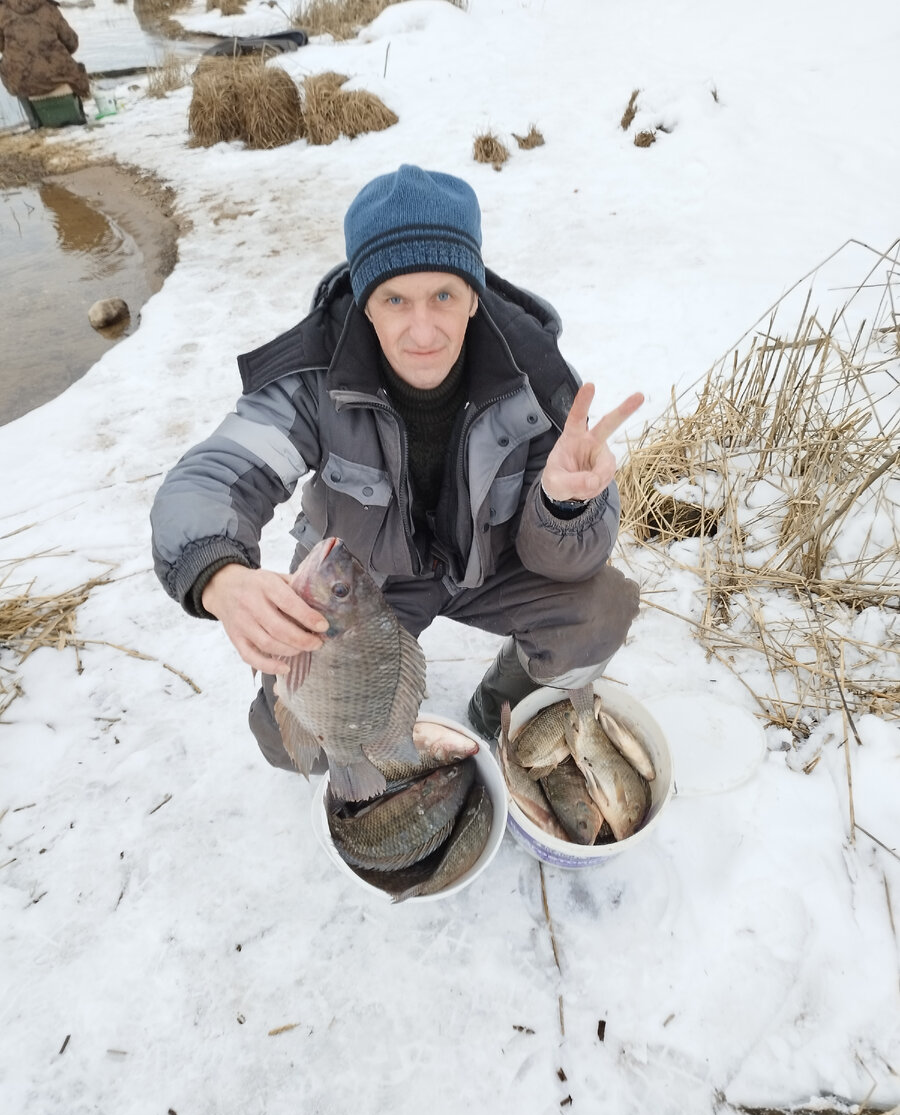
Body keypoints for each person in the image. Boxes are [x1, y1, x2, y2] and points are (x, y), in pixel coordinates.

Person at [150, 165, 643, 769]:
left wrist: (566, 506)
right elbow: (214, 475)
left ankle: (504, 705)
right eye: (394, 300)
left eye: (443, 295)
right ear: (364, 302)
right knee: (292, 743)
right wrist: (219, 576)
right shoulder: (312, 377)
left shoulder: (539, 379)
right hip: (356, 585)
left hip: (487, 567)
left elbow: (569, 561)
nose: (422, 330)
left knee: (600, 609)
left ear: (473, 296)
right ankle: (365, 718)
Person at [0, 0, 90, 128]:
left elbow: (2, 46)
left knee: (11, 71)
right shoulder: (49, 7)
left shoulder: (2, 11)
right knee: (74, 70)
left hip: (22, 78)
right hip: (57, 73)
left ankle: (35, 122)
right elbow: (72, 42)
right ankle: (77, 117)